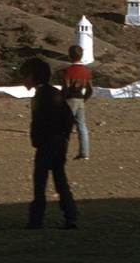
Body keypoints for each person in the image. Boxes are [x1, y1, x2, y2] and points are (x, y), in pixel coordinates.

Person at [21, 57, 76, 230]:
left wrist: (36, 141)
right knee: (60, 179)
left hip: (46, 143)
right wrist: (65, 137)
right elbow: (69, 117)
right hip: (60, 141)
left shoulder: (39, 97)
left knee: (40, 181)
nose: (24, 80)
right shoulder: (55, 93)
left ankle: (36, 219)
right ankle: (71, 216)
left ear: (33, 77)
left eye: (26, 76)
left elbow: (37, 123)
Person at [60, 46, 93, 160]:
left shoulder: (68, 71)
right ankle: (84, 153)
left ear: (69, 57)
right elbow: (90, 90)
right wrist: (84, 99)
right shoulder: (86, 72)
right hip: (80, 100)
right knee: (82, 127)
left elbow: (65, 88)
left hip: (69, 100)